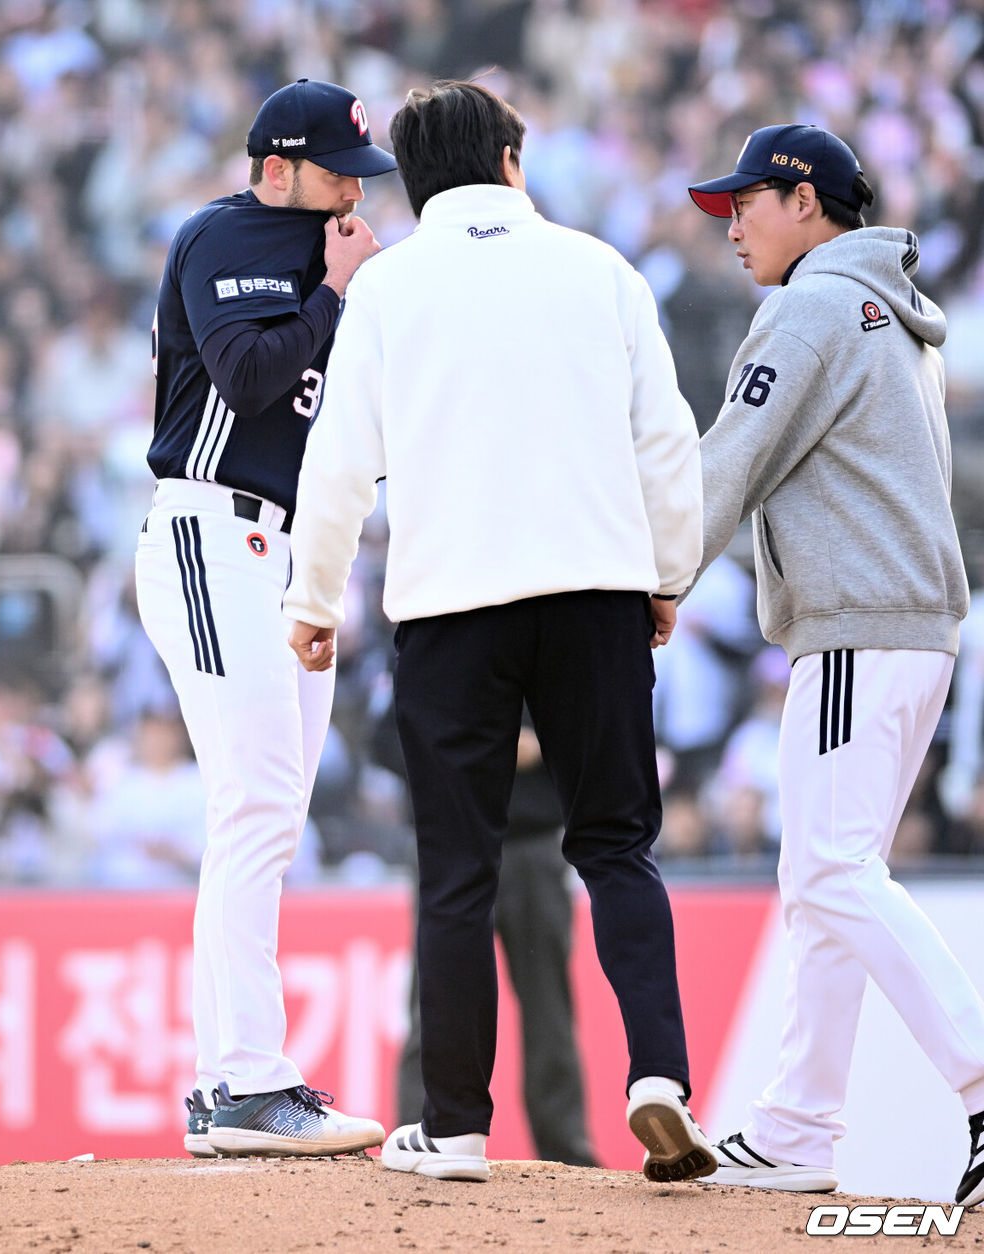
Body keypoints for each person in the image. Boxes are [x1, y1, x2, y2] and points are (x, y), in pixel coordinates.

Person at [283, 80, 714, 1185]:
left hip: (450, 605)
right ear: (513, 160)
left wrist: (313, 601)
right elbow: (667, 442)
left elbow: (336, 462)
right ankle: (659, 1076)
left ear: (413, 182)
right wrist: (666, 579)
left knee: (455, 871)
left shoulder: (389, 288)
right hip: (596, 590)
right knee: (617, 846)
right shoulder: (601, 271)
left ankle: (458, 1127)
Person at [685, 123, 984, 1207]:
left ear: (805, 200)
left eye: (747, 202)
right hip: (903, 631)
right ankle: (796, 1125)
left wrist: (651, 583)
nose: (732, 226)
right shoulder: (891, 315)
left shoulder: (809, 304)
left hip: (861, 630)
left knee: (832, 873)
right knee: (820, 877)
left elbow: (728, 461)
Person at [134, 78, 395, 1158]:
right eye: (336, 169)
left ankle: (243, 1081)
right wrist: (336, 292)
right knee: (253, 804)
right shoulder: (223, 234)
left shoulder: (340, 253)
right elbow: (245, 376)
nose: (354, 190)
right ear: (277, 165)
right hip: (208, 531)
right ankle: (239, 1081)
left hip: (292, 550)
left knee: (276, 811)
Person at [392, 712, 599, 1168]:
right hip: (448, 843)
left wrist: (544, 745)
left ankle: (566, 1153)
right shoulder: (429, 642)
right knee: (434, 1000)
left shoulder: (554, 647)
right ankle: (417, 1128)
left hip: (532, 843)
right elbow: (386, 738)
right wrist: (480, 748)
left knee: (548, 1012)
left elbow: (591, 725)